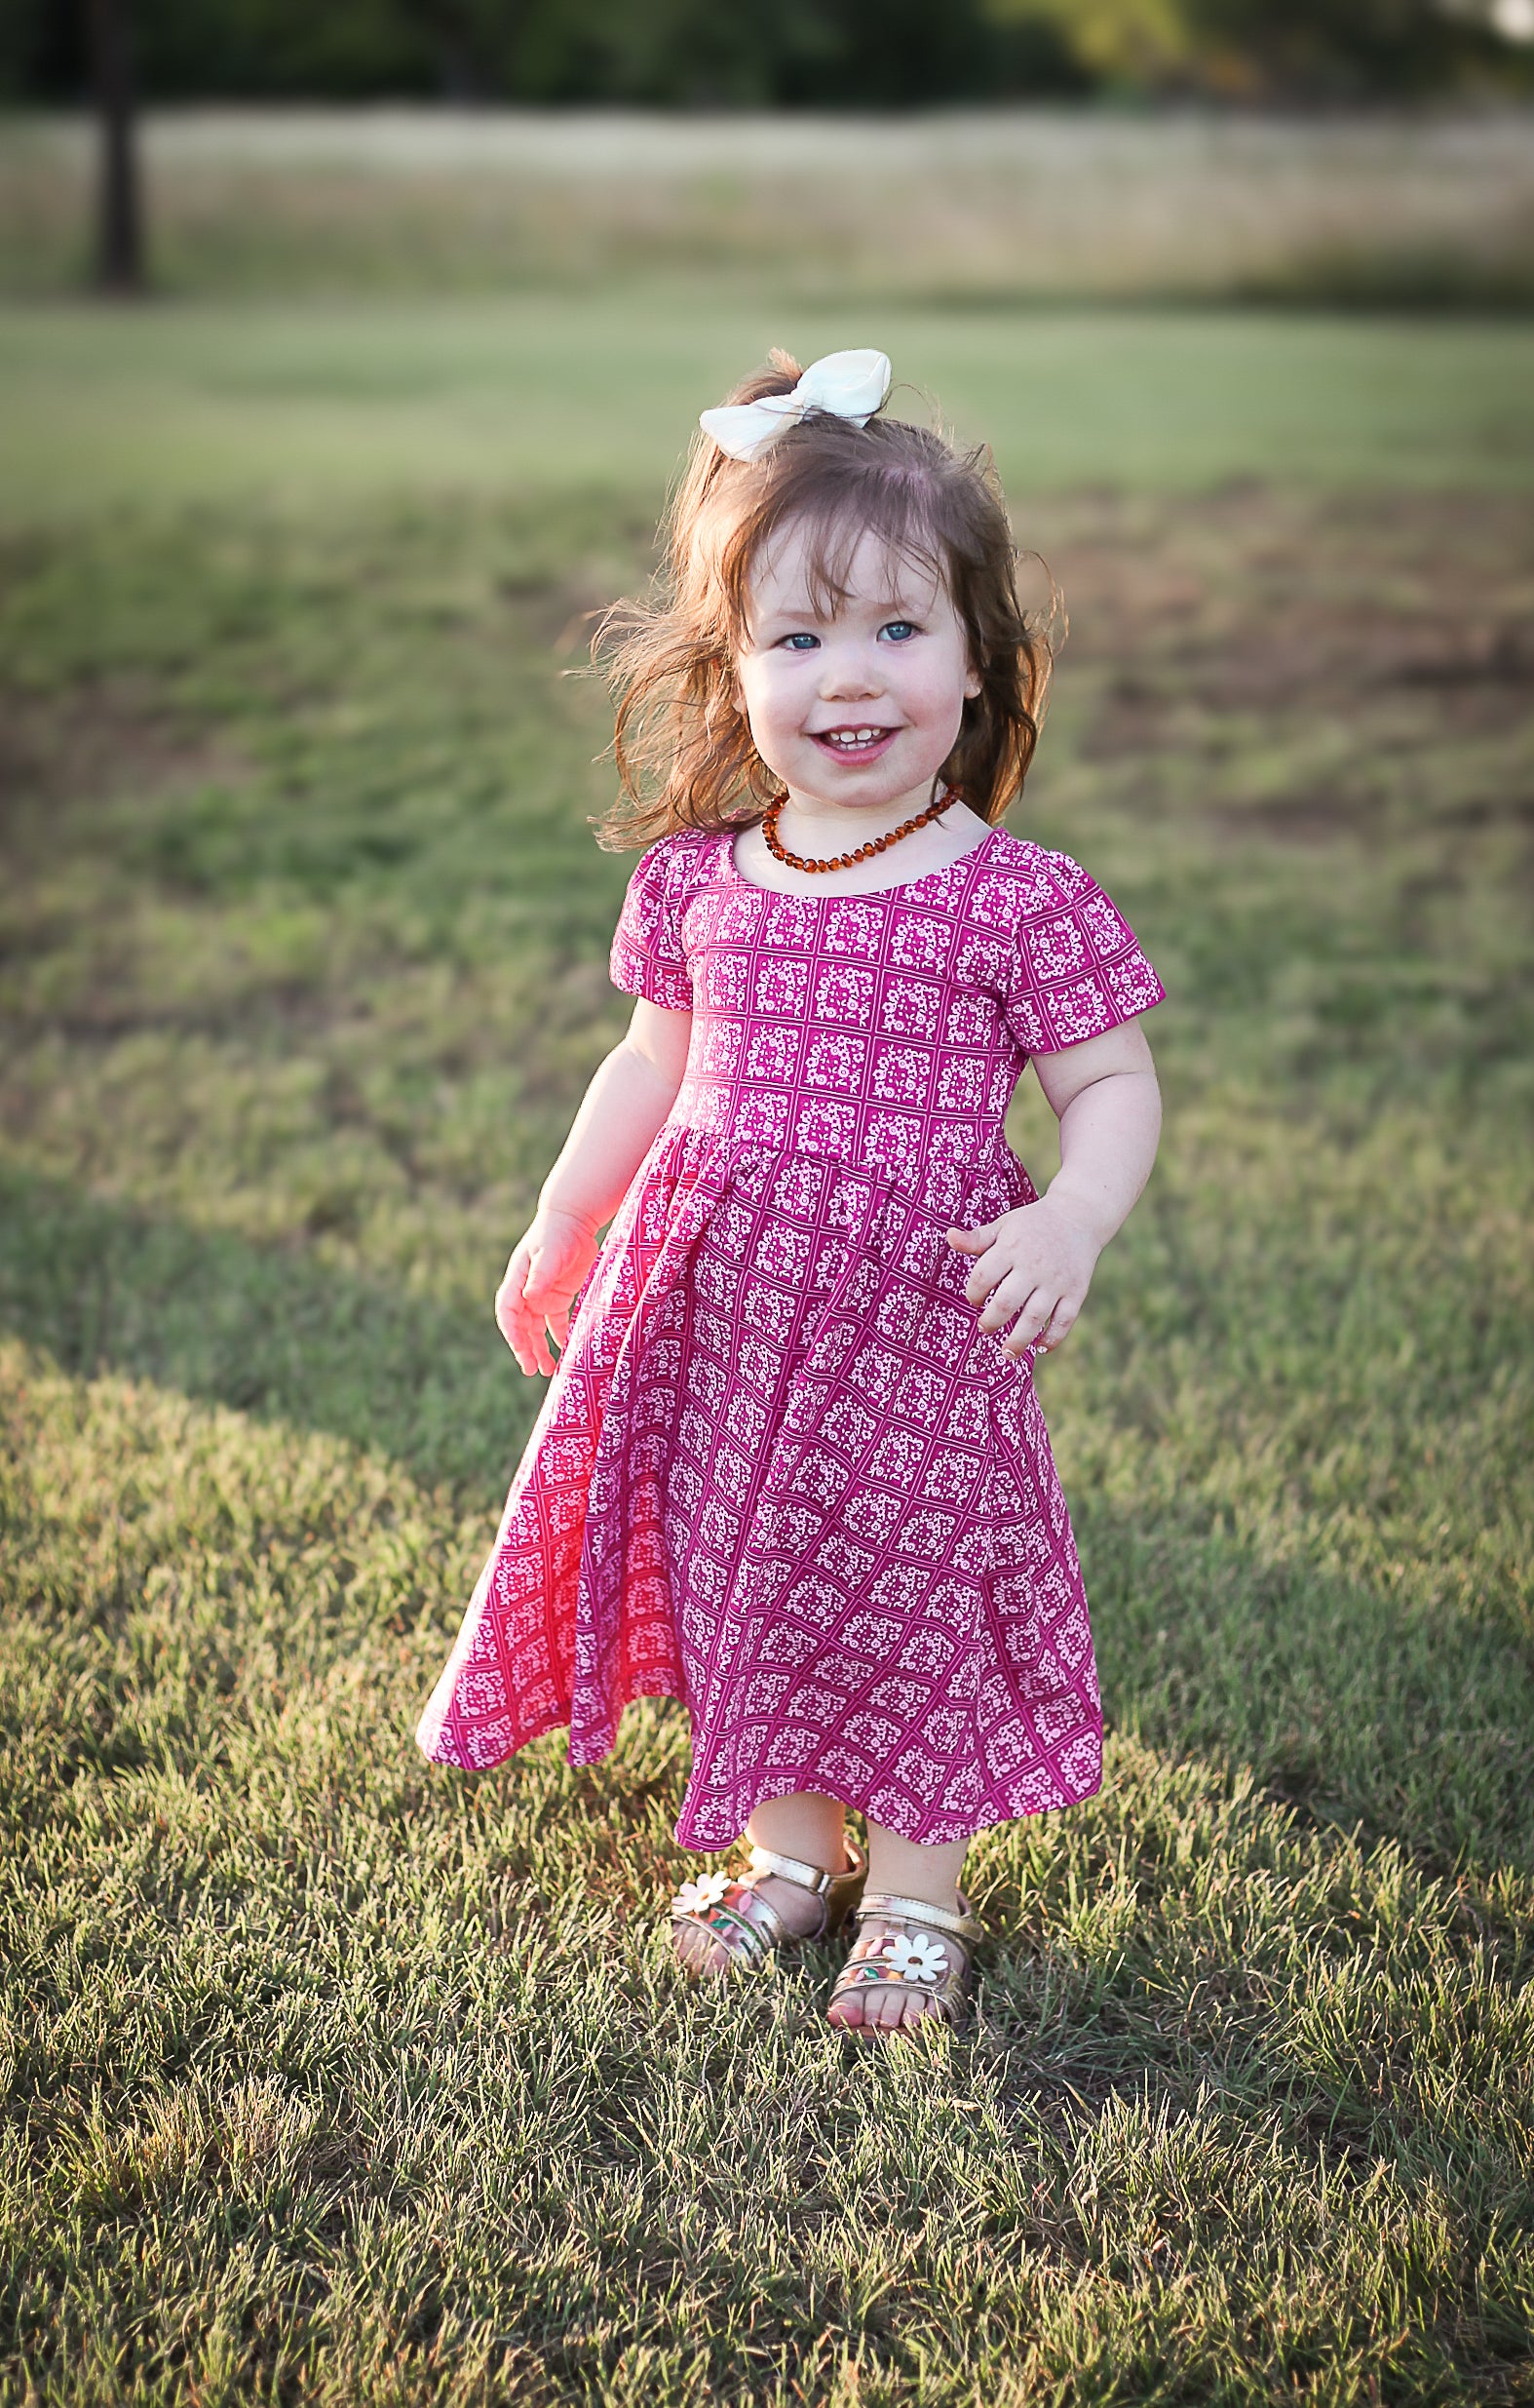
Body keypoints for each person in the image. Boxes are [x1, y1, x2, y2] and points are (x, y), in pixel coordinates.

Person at [417, 348, 1164, 2039]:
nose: (851, 675)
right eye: (798, 636)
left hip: (916, 1323)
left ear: (979, 665)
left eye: (899, 630)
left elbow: (1110, 1086)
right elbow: (647, 1066)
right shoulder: (700, 879)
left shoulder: (1015, 897)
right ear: (731, 665)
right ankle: (785, 1861)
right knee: (744, 1565)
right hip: (723, 1313)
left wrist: (1070, 1217)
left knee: (901, 1586)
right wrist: (563, 1217)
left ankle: (912, 1897)